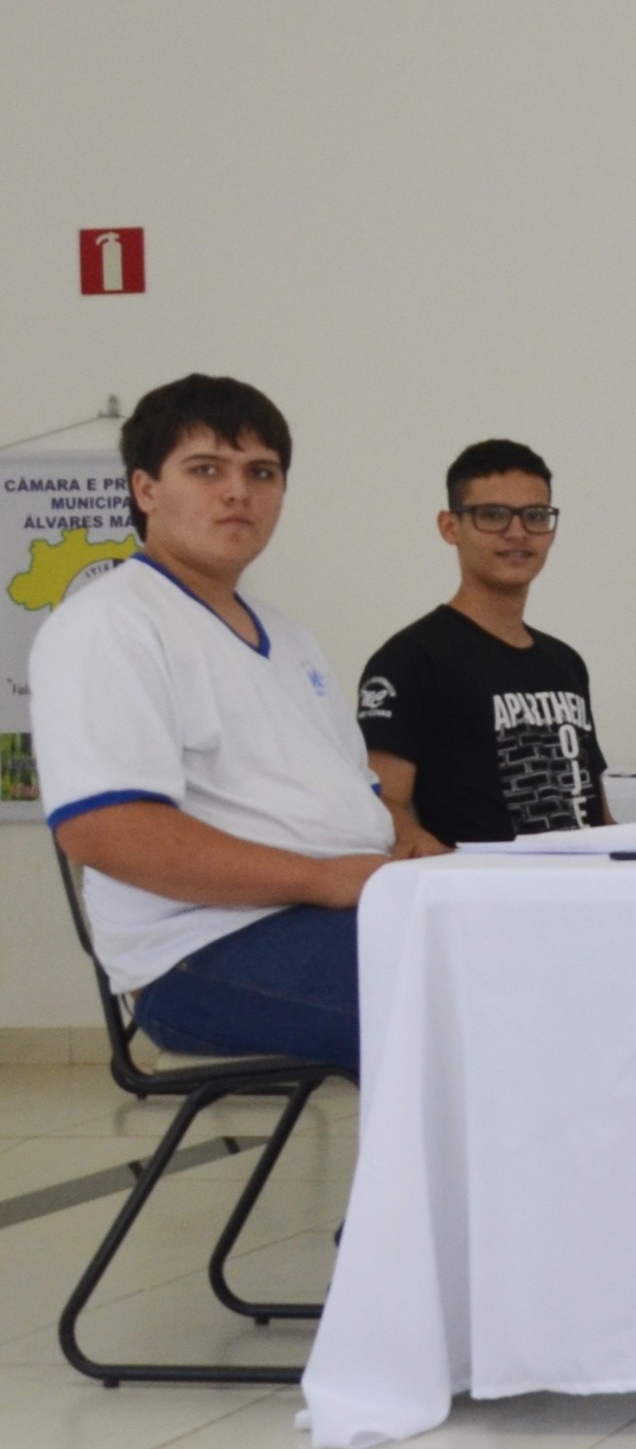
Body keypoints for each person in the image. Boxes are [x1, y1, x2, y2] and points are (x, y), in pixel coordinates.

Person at [35, 375, 399, 1077]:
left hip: (335, 914)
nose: (238, 493)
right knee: (485, 998)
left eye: (262, 473)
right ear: (146, 490)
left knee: (524, 952)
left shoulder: (291, 639)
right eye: (206, 470)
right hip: (201, 952)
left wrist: (432, 864)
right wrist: (323, 879)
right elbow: (107, 832)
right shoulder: (111, 624)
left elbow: (361, 796)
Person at [355, 438, 606, 851]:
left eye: (535, 516)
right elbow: (382, 803)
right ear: (449, 527)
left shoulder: (565, 662)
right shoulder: (409, 660)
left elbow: (594, 810)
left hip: (585, 881)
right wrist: (441, 867)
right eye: (492, 515)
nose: (517, 532)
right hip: (479, 885)